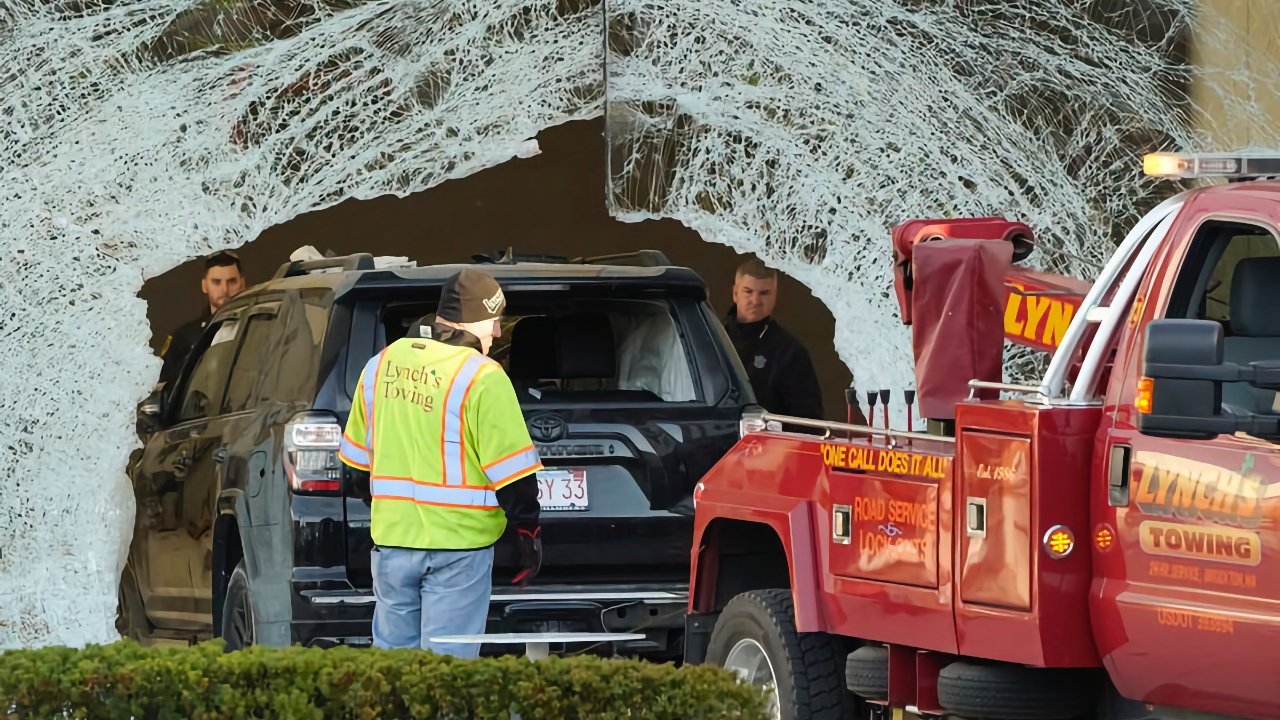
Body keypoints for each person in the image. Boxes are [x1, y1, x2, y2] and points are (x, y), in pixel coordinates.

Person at [338, 268, 543, 657]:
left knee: (394, 674)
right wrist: (527, 536)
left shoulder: (379, 365)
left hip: (392, 549)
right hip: (459, 551)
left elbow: (355, 473)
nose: (497, 334)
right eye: (494, 322)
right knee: (448, 673)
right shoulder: (482, 375)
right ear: (471, 320)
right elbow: (515, 478)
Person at [723, 257, 825, 419]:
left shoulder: (790, 352)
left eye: (764, 293)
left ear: (775, 296)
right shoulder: (712, 339)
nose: (755, 300)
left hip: (767, 441)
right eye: (748, 291)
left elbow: (808, 418)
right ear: (735, 294)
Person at [158, 250, 246, 388]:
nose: (225, 289)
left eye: (232, 281)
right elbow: (163, 387)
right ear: (205, 285)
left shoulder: (259, 328)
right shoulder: (184, 338)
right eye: (216, 282)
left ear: (242, 283)